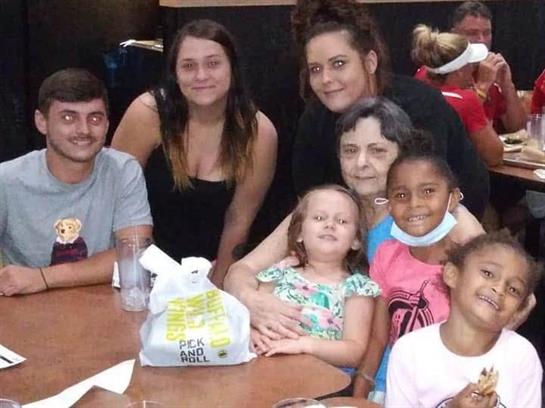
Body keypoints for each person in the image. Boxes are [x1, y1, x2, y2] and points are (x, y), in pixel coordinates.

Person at [225, 97, 484, 348]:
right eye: (350, 151)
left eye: (377, 151)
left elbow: (498, 284)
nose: (361, 163)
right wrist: (253, 302)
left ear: (402, 154)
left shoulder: (437, 216)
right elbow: (241, 271)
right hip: (305, 356)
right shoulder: (324, 209)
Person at [112, 19, 277, 287]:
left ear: (232, 68)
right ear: (175, 74)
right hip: (139, 270)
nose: (201, 75)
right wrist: (134, 277)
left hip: (207, 274)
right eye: (188, 66)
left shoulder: (259, 132)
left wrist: (218, 286)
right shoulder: (147, 113)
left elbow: (239, 220)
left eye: (213, 63)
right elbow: (115, 197)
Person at [290, 0, 490, 220]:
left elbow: (429, 206)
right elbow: (308, 206)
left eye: (338, 64)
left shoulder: (421, 108)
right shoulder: (314, 120)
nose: (326, 78)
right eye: (315, 69)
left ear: (370, 62)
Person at [0, 68, 153, 296]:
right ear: (41, 122)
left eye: (95, 118)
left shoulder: (123, 170)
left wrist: (43, 277)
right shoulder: (7, 180)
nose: (84, 130)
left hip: (104, 306)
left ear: (107, 125)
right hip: (28, 306)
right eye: (68, 118)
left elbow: (136, 253)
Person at [386, 231, 542, 408]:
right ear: (452, 275)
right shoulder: (410, 352)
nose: (499, 289)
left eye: (513, 289)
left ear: (518, 310)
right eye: (488, 273)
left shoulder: (521, 356)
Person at [360, 154, 462, 403]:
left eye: (428, 191)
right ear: (389, 205)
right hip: (397, 387)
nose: (414, 204)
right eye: (401, 195)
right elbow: (379, 337)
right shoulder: (386, 255)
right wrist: (361, 389)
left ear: (452, 198)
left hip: (450, 392)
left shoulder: (467, 264)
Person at [252, 185, 379, 368]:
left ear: (356, 240)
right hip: (264, 369)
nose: (330, 225)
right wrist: (251, 331)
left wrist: (305, 345)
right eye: (319, 218)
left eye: (342, 221)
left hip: (319, 380)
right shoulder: (279, 273)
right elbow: (253, 314)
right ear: (299, 233)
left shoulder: (357, 288)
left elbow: (354, 352)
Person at [411, 24, 503, 167]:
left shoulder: (415, 91)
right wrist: (483, 86)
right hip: (453, 177)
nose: (473, 67)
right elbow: (494, 156)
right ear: (459, 70)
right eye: (470, 63)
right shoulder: (466, 100)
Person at [451, 1, 526, 132]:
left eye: (486, 33)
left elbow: (518, 129)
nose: (481, 40)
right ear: (454, 35)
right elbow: (454, 130)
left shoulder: (491, 70)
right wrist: (482, 86)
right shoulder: (440, 73)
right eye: (472, 33)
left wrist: (507, 85)